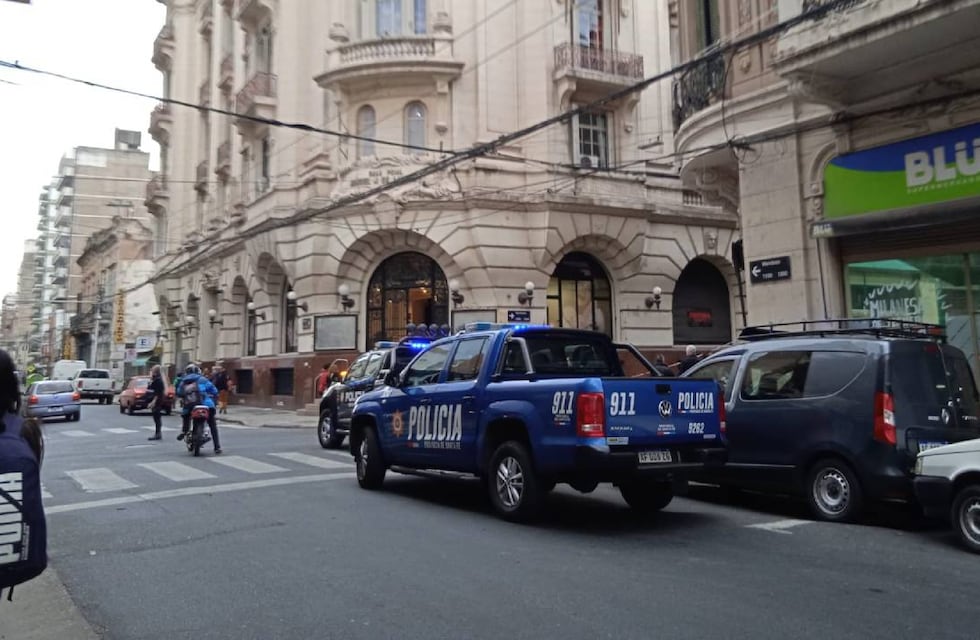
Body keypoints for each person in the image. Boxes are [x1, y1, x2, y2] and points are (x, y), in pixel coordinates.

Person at [176, 364, 222, 454]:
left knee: (186, 416)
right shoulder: (203, 379)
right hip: (206, 405)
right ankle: (217, 447)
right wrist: (213, 397)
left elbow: (179, 392)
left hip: (189, 405)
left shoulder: (183, 381)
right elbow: (214, 390)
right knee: (212, 424)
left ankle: (184, 431)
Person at [146, 365, 166, 441]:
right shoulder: (154, 380)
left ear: (155, 372)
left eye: (152, 370)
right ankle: (158, 433)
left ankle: (158, 434)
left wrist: (153, 402)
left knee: (157, 418)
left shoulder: (158, 381)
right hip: (154, 400)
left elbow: (158, 393)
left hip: (157, 402)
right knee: (156, 418)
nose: (150, 371)